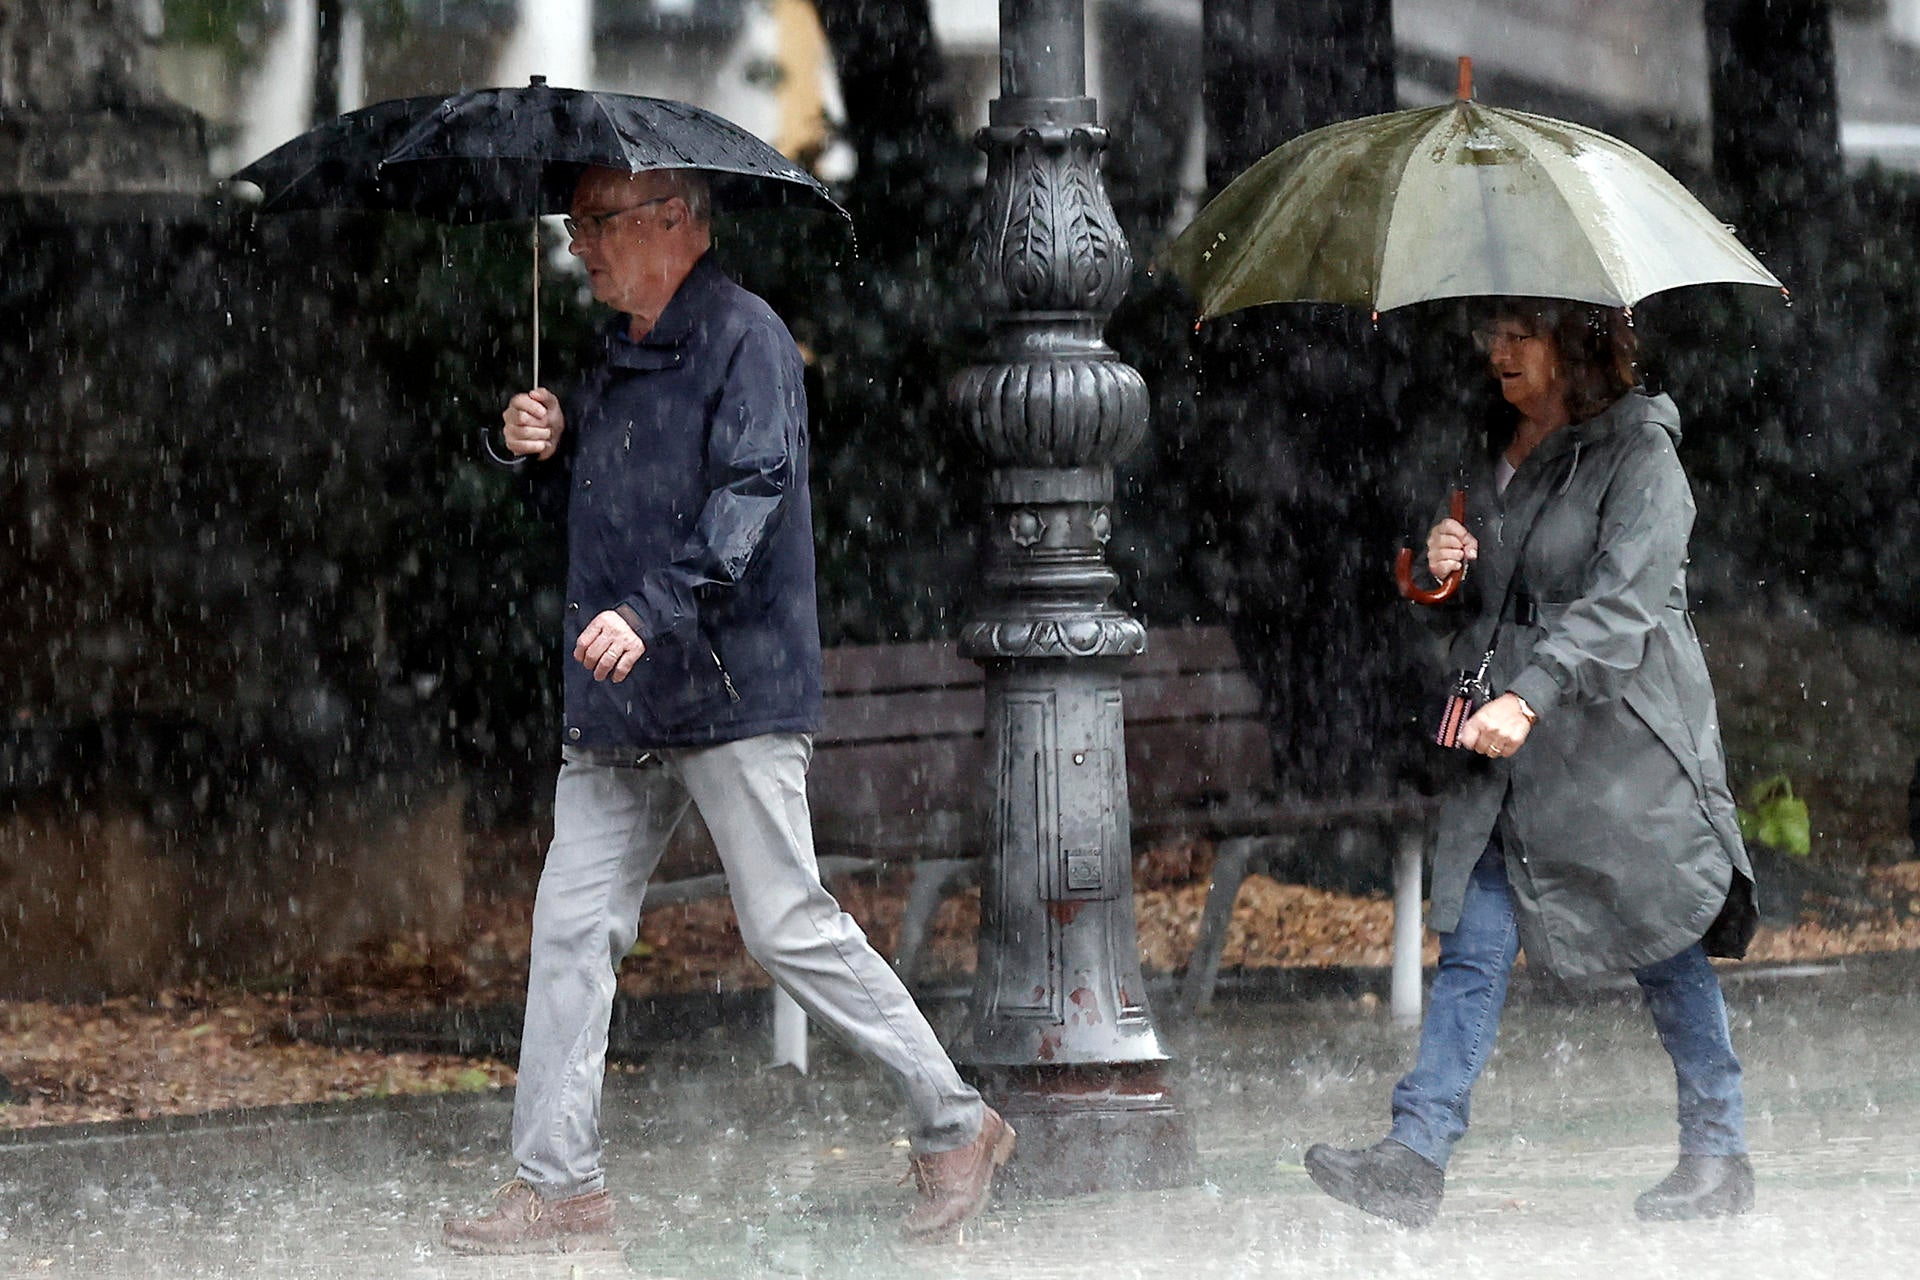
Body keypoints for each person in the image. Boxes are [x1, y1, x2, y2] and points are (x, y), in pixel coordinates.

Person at [442, 165, 1013, 1256]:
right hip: (623, 697)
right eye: (574, 224)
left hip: (729, 688)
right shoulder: (614, 351)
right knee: (568, 931)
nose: (579, 246)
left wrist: (651, 612)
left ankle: (958, 1122)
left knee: (786, 924)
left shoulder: (745, 336)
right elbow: (614, 508)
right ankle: (559, 1184)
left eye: (598, 223)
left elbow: (748, 500)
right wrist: (542, 448)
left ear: (676, 223)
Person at [1303, 299, 1759, 1227]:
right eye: (1492, 335)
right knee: (1474, 936)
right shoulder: (1492, 450)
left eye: (1522, 333)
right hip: (1506, 747)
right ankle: (1415, 1154)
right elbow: (1480, 592)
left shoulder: (1643, 461)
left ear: (1578, 342)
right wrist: (1438, 566)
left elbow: (1620, 610)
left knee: (1662, 937)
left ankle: (1719, 1151)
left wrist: (1532, 693)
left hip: (1619, 745)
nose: (1499, 352)